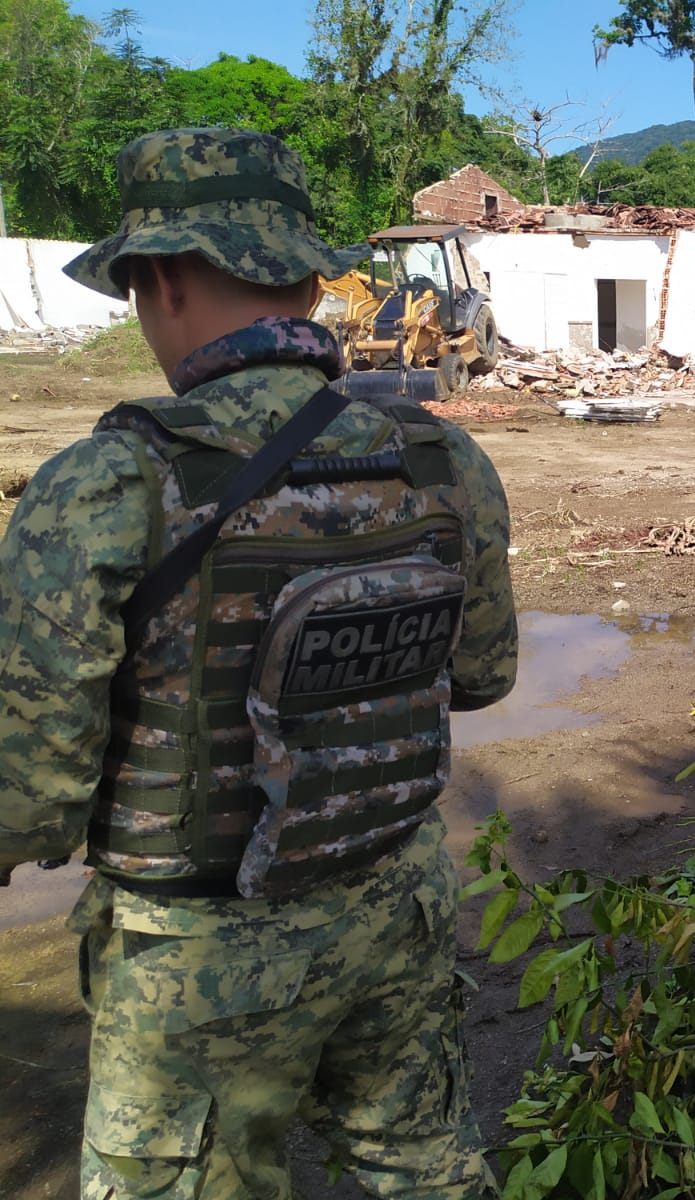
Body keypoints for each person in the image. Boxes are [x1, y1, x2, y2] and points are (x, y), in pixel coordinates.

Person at [0, 128, 518, 1198]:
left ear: (159, 278)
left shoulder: (107, 483)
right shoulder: (438, 458)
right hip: (395, 903)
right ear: (297, 272)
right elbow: (482, 675)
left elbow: (30, 792)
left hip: (200, 955)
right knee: (425, 1170)